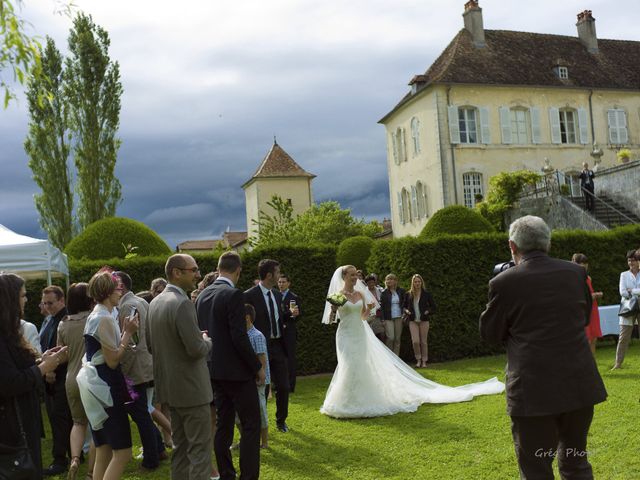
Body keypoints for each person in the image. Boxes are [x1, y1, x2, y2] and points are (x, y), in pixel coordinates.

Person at [479, 215, 607, 479]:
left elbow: (490, 333)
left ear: (512, 247)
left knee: (536, 468)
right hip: (578, 384)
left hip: (533, 390)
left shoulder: (504, 283)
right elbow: (582, 318)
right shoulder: (575, 273)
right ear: (547, 243)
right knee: (576, 463)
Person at [320, 265, 503, 418]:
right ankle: (345, 401)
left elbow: (363, 317)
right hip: (345, 334)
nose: (355, 277)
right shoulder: (338, 295)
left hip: (360, 333)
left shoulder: (360, 295)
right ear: (344, 276)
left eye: (355, 275)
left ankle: (361, 399)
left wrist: (368, 311)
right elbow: (331, 318)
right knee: (348, 364)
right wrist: (334, 308)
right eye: (351, 275)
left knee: (361, 364)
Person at [196, 251, 262, 480]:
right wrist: (257, 367)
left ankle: (226, 474)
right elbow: (239, 337)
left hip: (213, 370)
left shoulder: (202, 296)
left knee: (223, 424)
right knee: (251, 425)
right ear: (238, 270)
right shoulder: (234, 295)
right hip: (238, 373)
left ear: (218, 267)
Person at [149, 254, 213, 480]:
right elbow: (196, 349)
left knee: (181, 450)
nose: (198, 274)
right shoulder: (183, 303)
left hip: (170, 389)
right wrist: (206, 340)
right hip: (192, 390)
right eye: (193, 270)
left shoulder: (154, 302)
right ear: (177, 272)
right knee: (199, 451)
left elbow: (150, 344)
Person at [0, 273, 68, 479]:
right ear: (10, 300)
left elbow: (17, 369)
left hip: (23, 418)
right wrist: (44, 367)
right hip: (11, 426)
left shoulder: (11, 331)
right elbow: (9, 382)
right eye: (22, 296)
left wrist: (41, 361)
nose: (26, 300)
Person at [79, 270, 139, 480]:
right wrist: (128, 333)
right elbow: (112, 360)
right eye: (117, 287)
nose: (120, 290)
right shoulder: (102, 318)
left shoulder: (97, 315)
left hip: (97, 385)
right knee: (122, 453)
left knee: (103, 448)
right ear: (106, 291)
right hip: (106, 387)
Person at [114, 271, 167, 471]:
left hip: (134, 369)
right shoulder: (140, 301)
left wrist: (122, 369)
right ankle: (159, 449)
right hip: (144, 365)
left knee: (140, 414)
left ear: (121, 286)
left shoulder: (128, 305)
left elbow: (130, 343)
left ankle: (151, 459)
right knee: (142, 411)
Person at [245, 259, 296, 433]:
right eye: (277, 272)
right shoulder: (249, 295)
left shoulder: (277, 294)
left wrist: (290, 316)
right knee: (262, 387)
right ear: (269, 275)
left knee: (283, 386)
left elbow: (279, 317)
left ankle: (281, 421)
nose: (279, 276)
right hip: (260, 348)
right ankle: (260, 423)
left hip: (278, 346)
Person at [57, 282, 95, 480]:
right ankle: (91, 472)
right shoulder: (94, 318)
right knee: (98, 424)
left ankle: (74, 459)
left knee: (78, 423)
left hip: (71, 377)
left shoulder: (63, 323)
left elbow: (60, 355)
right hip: (92, 376)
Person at [39, 284, 73, 476]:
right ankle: (71, 454)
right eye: (44, 303)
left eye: (50, 303)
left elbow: (66, 350)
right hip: (50, 375)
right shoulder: (50, 319)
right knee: (58, 418)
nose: (47, 306)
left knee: (60, 419)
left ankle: (60, 460)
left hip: (61, 375)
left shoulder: (66, 320)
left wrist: (52, 369)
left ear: (62, 300)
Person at [236, 304, 270, 449]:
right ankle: (246, 439)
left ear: (247, 318)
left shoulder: (257, 336)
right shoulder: (240, 334)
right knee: (238, 412)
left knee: (260, 410)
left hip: (257, 380)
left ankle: (264, 443)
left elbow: (262, 359)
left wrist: (260, 378)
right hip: (242, 379)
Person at [612, 250, 640, 369]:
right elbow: (622, 292)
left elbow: (628, 291)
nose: (631, 263)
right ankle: (618, 364)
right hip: (628, 307)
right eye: (629, 260)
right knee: (623, 336)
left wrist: (632, 291)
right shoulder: (623, 275)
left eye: (633, 260)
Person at [571, 254, 603, 357]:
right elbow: (578, 296)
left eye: (585, 263)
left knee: (594, 337)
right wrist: (595, 295)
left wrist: (593, 295)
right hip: (583, 309)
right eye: (582, 263)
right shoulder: (573, 278)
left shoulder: (588, 278)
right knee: (586, 338)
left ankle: (593, 362)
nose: (584, 265)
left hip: (593, 308)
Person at [403, 274, 437, 368]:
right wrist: (407, 311)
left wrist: (427, 311)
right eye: (415, 282)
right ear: (412, 283)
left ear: (421, 282)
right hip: (412, 320)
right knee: (415, 341)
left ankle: (424, 361)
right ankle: (418, 359)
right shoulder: (408, 294)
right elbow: (404, 306)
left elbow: (433, 307)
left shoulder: (426, 294)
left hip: (424, 321)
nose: (417, 283)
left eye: (419, 281)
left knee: (423, 342)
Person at [277, 274, 300, 393]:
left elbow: (297, 316)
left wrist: (296, 315)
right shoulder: (274, 295)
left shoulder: (294, 297)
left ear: (288, 283)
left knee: (290, 359)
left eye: (283, 282)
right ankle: (279, 384)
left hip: (289, 332)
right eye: (279, 282)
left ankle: (291, 386)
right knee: (278, 359)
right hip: (277, 331)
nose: (281, 284)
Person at [379, 273, 406, 356]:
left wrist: (404, 313)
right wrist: (382, 319)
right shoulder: (384, 293)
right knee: (391, 337)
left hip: (399, 317)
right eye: (387, 279)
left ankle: (396, 358)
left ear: (395, 281)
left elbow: (404, 303)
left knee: (397, 339)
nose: (389, 281)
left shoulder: (401, 291)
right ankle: (389, 357)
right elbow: (381, 307)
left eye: (391, 279)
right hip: (388, 318)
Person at [364, 274, 385, 341]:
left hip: (380, 315)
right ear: (366, 283)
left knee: (382, 333)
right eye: (369, 283)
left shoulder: (379, 290)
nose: (371, 284)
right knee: (373, 335)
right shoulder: (364, 292)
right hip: (371, 316)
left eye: (373, 282)